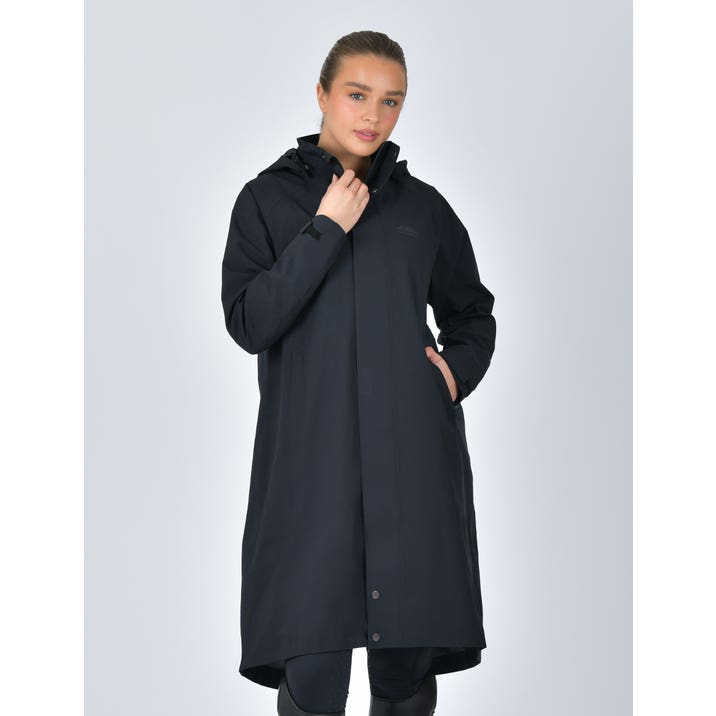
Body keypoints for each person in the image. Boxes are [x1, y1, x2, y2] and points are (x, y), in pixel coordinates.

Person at [221, 30, 497, 716]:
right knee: (312, 671)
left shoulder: (422, 209)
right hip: (309, 470)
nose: (373, 115)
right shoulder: (266, 201)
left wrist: (452, 374)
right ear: (321, 95)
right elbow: (250, 321)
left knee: (404, 671)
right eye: (356, 94)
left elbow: (471, 311)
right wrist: (326, 228)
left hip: (412, 463)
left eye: (391, 101)